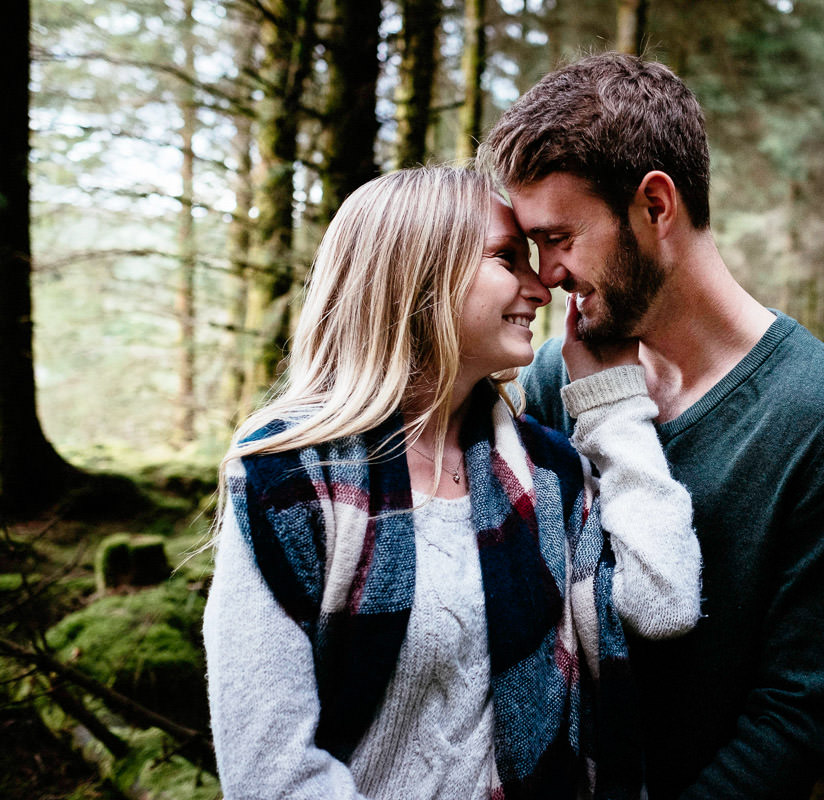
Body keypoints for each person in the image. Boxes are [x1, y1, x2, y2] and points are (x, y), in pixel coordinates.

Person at [202, 166, 702, 800]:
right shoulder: (288, 479)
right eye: (506, 259)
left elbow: (664, 604)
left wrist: (611, 405)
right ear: (418, 274)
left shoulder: (546, 475)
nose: (541, 288)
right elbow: (272, 773)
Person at [477, 53, 824, 799]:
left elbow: (798, 717)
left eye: (560, 238)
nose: (544, 277)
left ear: (656, 207)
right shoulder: (550, 379)